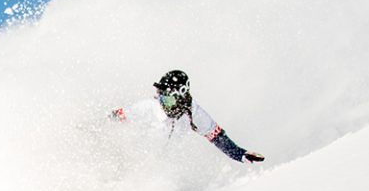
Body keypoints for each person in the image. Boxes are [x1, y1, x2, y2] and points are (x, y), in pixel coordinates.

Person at [113, 69, 264, 163]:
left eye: (167, 98)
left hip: (157, 169)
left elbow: (217, 137)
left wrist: (239, 154)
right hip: (131, 160)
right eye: (160, 96)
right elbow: (113, 119)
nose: (162, 101)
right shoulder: (148, 107)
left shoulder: (194, 113)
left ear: (179, 97)